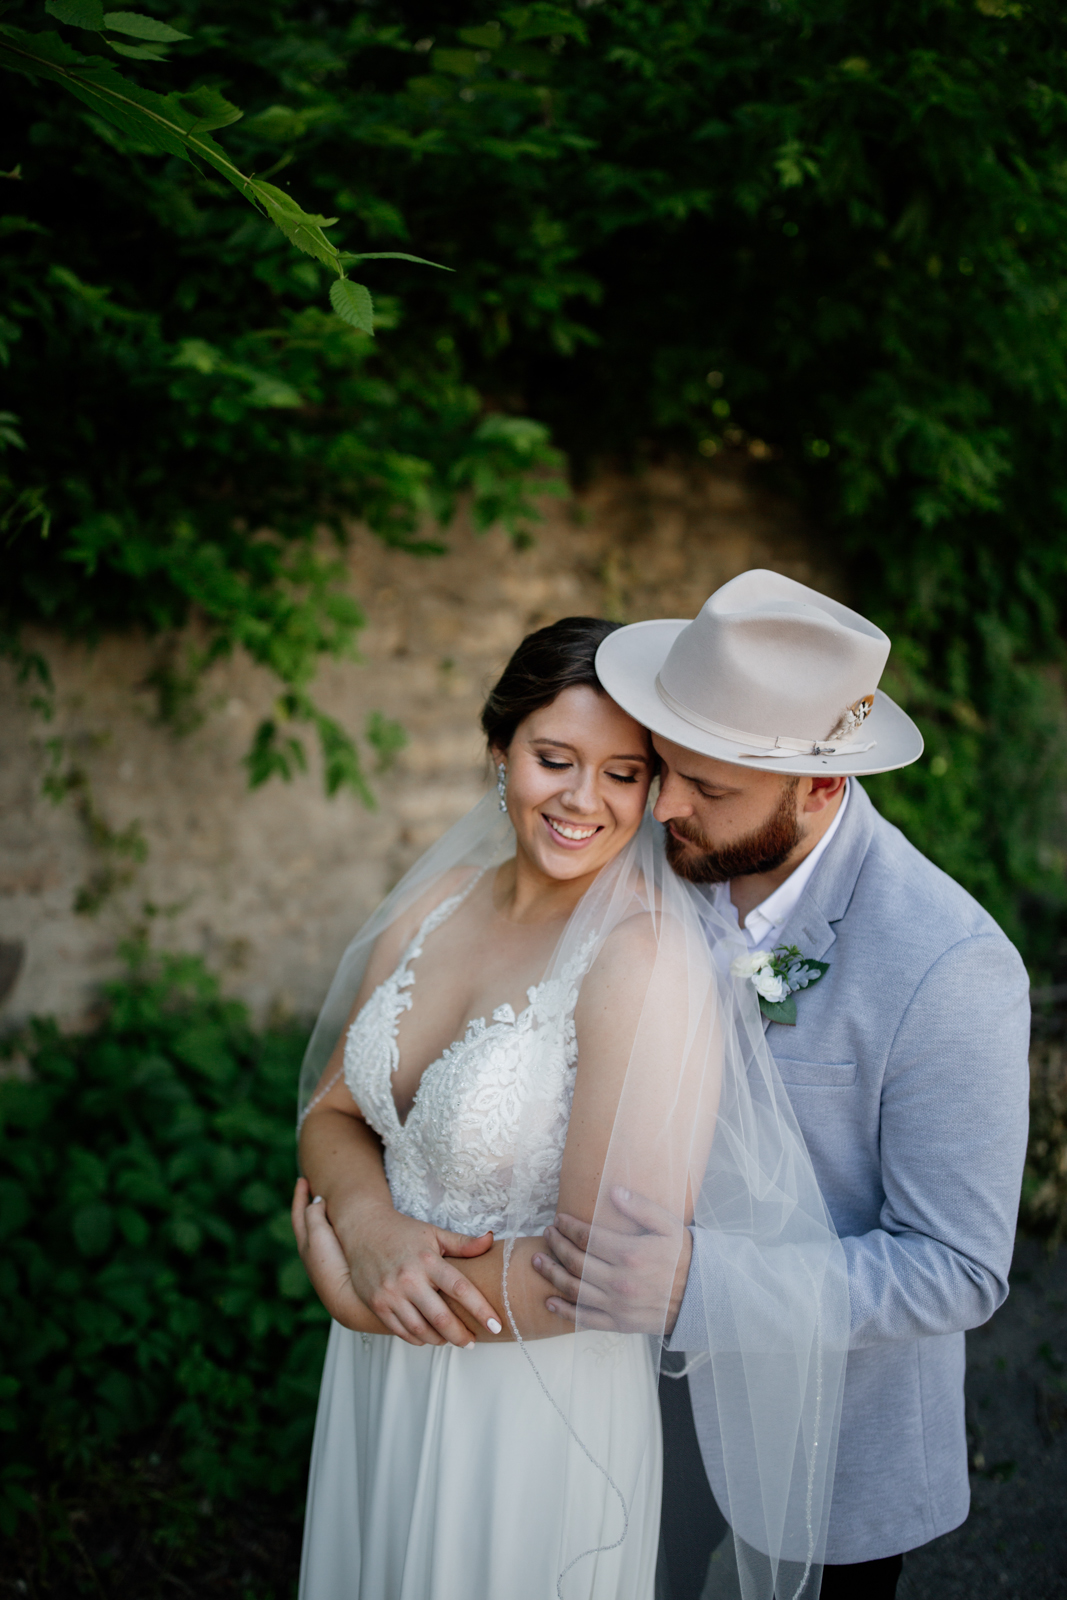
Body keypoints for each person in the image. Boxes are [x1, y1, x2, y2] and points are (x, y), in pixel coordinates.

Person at [290, 615, 849, 1600]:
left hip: (527, 1409)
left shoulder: (642, 959)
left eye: (622, 774)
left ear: (653, 789)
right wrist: (369, 1226)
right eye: (553, 759)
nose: (582, 799)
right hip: (380, 1373)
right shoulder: (434, 902)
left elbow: (599, 1275)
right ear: (498, 751)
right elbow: (332, 1112)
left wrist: (363, 1300)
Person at [532, 571, 1032, 1600]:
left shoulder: (947, 962)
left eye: (708, 790)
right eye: (664, 767)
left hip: (831, 1434)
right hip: (614, 1397)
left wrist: (695, 1288)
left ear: (820, 787)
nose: (664, 806)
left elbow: (955, 1267)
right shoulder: (642, 855)